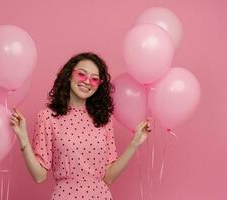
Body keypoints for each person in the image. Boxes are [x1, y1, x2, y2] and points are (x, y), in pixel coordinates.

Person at [10, 52, 152, 200]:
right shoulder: (47, 117)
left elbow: (109, 177)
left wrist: (134, 143)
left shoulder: (103, 120)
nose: (87, 81)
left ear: (99, 85)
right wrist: (23, 138)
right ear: (69, 75)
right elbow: (39, 176)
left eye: (94, 79)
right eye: (82, 74)